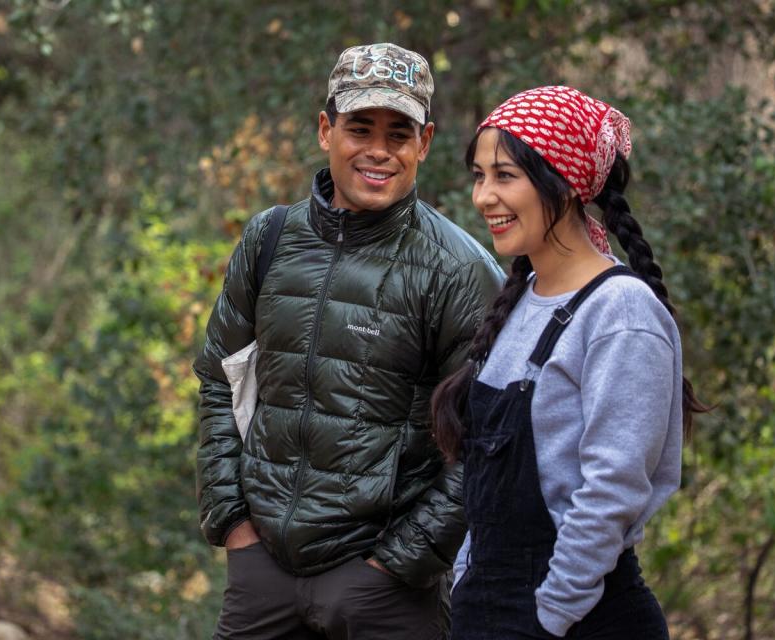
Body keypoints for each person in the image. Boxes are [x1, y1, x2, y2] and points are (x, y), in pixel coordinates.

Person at [194, 42, 506, 640]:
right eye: (360, 127)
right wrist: (234, 524)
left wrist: (401, 562)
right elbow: (218, 379)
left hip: (384, 589)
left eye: (400, 133)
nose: (379, 151)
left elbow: (487, 440)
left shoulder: (458, 271)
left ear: (426, 142)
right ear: (325, 129)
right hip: (263, 574)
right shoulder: (269, 240)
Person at [431, 86, 707, 639]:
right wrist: (466, 576)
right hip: (487, 610)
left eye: (505, 175)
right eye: (479, 176)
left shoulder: (620, 311)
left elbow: (612, 490)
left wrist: (550, 615)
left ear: (565, 180)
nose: (484, 196)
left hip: (578, 620)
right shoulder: (521, 299)